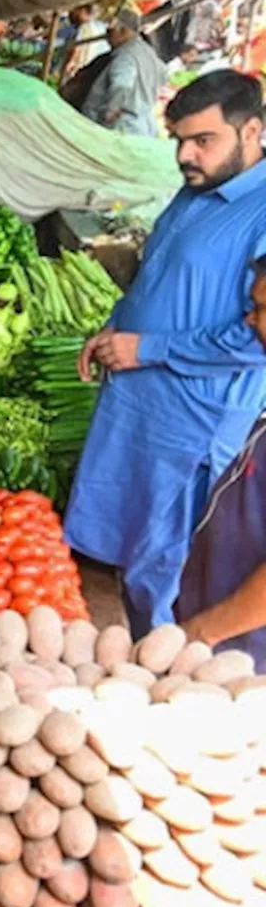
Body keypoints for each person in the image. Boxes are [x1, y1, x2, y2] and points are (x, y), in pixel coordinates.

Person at [65, 70, 266, 638]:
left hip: (190, 422)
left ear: (251, 131)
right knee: (131, 544)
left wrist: (147, 347)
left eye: (203, 140)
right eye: (178, 139)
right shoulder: (195, 188)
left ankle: (158, 678)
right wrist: (114, 328)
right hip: (137, 404)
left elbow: (253, 338)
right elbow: (159, 278)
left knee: (166, 562)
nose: (185, 154)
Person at [176, 264, 266, 667]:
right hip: (222, 635)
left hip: (245, 657)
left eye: (262, 308)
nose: (250, 318)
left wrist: (202, 632)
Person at [81, 9, 166, 136]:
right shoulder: (150, 54)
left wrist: (110, 113)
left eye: (110, 32)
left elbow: (121, 84)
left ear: (123, 31)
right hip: (142, 126)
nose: (107, 37)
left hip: (121, 127)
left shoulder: (126, 56)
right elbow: (163, 77)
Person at [63, 3, 110, 81]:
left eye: (76, 10)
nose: (73, 12)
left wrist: (71, 62)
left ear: (83, 11)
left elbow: (77, 48)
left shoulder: (85, 27)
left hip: (77, 67)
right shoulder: (101, 27)